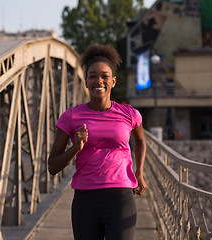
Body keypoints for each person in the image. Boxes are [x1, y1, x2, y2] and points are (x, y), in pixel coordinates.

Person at [48, 43, 147, 240]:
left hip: (121, 197)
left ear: (114, 81)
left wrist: (139, 172)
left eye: (104, 76)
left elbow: (140, 140)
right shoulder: (71, 117)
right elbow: (52, 166)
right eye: (92, 76)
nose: (98, 81)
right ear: (85, 81)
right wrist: (75, 148)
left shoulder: (129, 114)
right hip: (86, 201)